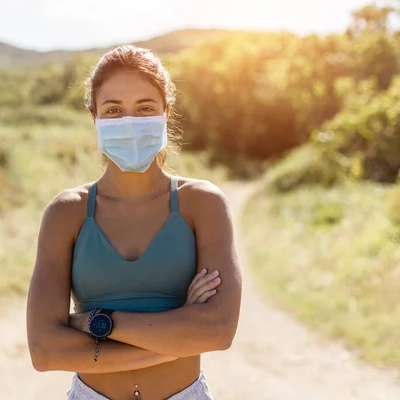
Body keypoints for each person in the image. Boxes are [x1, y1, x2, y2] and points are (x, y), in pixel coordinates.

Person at [26, 45, 242, 400]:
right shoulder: (67, 213)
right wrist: (175, 339)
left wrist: (98, 322)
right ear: (94, 117)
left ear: (166, 112)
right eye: (113, 110)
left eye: (144, 108)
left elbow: (218, 330)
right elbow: (45, 350)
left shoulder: (202, 204)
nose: (129, 122)